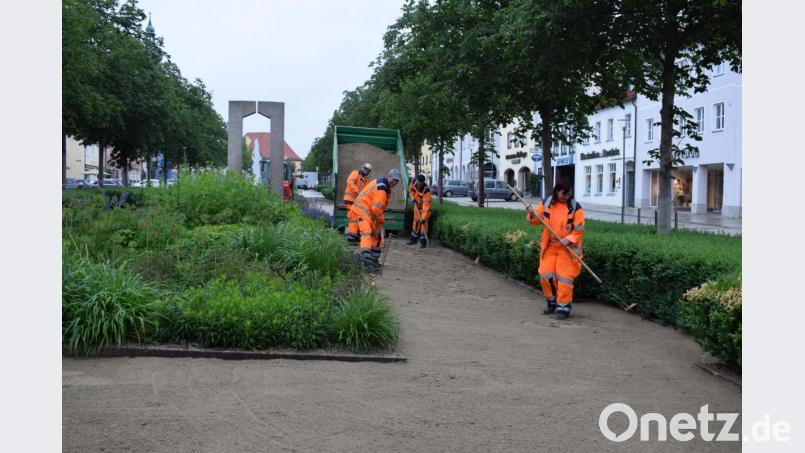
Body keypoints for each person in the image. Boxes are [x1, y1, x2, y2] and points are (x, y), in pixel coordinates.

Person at [525, 183, 586, 320]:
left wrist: (568, 239)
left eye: (569, 193)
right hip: (550, 247)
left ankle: (563, 307)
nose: (566, 196)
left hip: (567, 250)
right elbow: (536, 220)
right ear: (557, 192)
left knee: (564, 278)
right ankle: (551, 302)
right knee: (545, 275)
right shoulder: (547, 203)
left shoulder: (576, 209)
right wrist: (531, 213)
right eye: (563, 194)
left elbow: (579, 230)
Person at [349, 168, 402, 271]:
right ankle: (366, 263)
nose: (395, 182)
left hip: (371, 213)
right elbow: (376, 208)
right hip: (363, 212)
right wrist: (381, 219)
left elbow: (378, 208)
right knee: (367, 233)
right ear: (389, 176)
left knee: (376, 237)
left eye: (397, 181)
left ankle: (373, 261)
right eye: (393, 179)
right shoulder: (382, 188)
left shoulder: (385, 187)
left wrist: (379, 221)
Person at [343, 163, 372, 244]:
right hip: (350, 200)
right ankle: (351, 238)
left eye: (368, 170)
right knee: (354, 218)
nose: (367, 171)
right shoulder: (356, 173)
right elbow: (350, 182)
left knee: (357, 218)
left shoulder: (364, 179)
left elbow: (365, 191)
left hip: (356, 201)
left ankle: (354, 236)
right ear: (363, 168)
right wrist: (358, 192)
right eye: (366, 169)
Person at [408, 175, 432, 248]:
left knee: (423, 225)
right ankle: (413, 240)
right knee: (416, 223)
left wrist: (423, 217)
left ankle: (423, 243)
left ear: (423, 182)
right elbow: (411, 190)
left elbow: (426, 205)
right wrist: (412, 198)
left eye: (420, 183)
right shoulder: (413, 181)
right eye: (418, 182)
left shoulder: (426, 190)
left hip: (425, 210)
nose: (418, 184)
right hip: (416, 207)